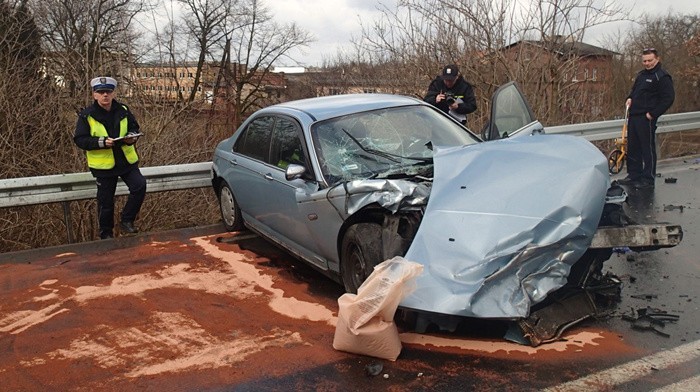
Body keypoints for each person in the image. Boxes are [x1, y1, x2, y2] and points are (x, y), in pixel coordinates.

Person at [74, 76, 146, 239]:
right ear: (94, 95)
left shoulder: (123, 110)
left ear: (113, 93)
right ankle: (106, 235)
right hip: (103, 166)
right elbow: (80, 139)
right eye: (101, 92)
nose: (105, 95)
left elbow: (134, 127)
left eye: (108, 91)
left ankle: (127, 221)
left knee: (139, 185)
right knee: (106, 203)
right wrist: (102, 142)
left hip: (126, 161)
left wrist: (131, 137)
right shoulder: (87, 116)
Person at [618, 48, 675, 189]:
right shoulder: (641, 75)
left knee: (647, 149)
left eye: (650, 60)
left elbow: (668, 99)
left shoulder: (662, 76)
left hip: (646, 118)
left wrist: (652, 114)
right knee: (633, 147)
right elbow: (633, 92)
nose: (647, 63)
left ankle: (648, 178)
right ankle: (633, 174)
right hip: (634, 116)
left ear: (657, 59)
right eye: (645, 61)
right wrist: (629, 99)